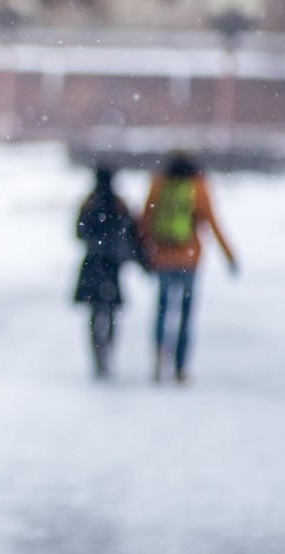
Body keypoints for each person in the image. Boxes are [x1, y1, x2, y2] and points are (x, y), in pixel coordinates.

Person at [139, 151, 236, 384]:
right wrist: (229, 255)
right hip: (190, 259)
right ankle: (181, 367)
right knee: (186, 313)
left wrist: (144, 250)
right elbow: (213, 222)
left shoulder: (158, 184)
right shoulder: (198, 187)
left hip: (162, 258)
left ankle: (159, 353)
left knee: (162, 310)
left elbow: (146, 220)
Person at [73, 165, 142, 379]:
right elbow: (131, 232)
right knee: (111, 313)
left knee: (95, 314)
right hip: (112, 265)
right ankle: (108, 353)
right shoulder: (119, 204)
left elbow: (78, 232)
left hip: (92, 263)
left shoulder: (88, 202)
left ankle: (98, 357)